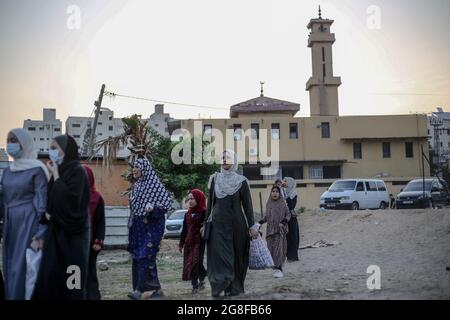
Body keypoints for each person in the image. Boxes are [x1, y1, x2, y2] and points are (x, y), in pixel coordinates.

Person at [32, 134, 90, 300]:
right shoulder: (59, 172)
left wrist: (56, 175)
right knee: (51, 279)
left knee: (73, 283)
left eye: (54, 148)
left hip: (74, 239)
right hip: (55, 237)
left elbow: (72, 204)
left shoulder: (78, 172)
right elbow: (51, 205)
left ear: (65, 150)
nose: (51, 152)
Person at [1, 128, 49, 300]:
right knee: (10, 267)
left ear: (25, 143)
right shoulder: (7, 171)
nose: (10, 144)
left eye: (14, 140)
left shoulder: (37, 169)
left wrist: (40, 235)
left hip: (28, 225)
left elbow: (43, 205)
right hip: (10, 225)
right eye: (8, 140)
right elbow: (3, 200)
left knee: (25, 269)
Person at [206, 149, 259, 299]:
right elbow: (209, 204)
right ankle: (220, 287)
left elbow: (248, 207)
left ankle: (235, 288)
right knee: (219, 257)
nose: (224, 160)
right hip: (217, 226)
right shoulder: (214, 179)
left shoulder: (241, 181)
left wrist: (252, 226)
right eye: (222, 158)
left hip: (237, 226)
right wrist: (205, 223)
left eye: (227, 157)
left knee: (237, 257)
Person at [127, 157, 172, 300]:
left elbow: (165, 204)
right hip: (139, 226)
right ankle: (156, 290)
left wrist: (153, 208)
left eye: (137, 167)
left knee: (145, 256)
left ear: (145, 169)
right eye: (133, 167)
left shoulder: (154, 185)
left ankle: (140, 291)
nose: (134, 170)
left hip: (152, 226)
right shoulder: (137, 186)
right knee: (142, 258)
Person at [258, 186, 291, 278]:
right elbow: (267, 217)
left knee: (279, 250)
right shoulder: (269, 204)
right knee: (271, 250)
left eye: (277, 191)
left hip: (280, 230)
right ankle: (276, 268)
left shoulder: (283, 204)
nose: (275, 193)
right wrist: (260, 222)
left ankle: (279, 268)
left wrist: (284, 221)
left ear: (279, 193)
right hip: (270, 231)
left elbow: (288, 215)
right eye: (273, 191)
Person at [83, 165, 105, 300]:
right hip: (74, 244)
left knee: (90, 273)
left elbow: (100, 221)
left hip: (91, 244)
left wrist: (98, 241)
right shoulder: (72, 195)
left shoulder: (97, 198)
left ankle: (92, 297)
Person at [179, 189, 207, 294]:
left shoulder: (204, 212)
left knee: (196, 262)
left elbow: (208, 227)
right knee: (190, 263)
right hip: (189, 242)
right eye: (189, 199)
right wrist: (181, 243)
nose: (190, 201)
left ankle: (201, 277)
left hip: (199, 242)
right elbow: (184, 230)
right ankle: (195, 285)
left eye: (193, 198)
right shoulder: (187, 214)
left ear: (199, 199)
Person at [283, 177, 300, 262]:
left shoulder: (293, 193)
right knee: (286, 237)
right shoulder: (283, 192)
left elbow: (291, 206)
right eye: (284, 181)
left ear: (290, 183)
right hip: (285, 217)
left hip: (291, 218)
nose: (284, 182)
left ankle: (293, 256)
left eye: (286, 181)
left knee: (293, 236)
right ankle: (287, 256)